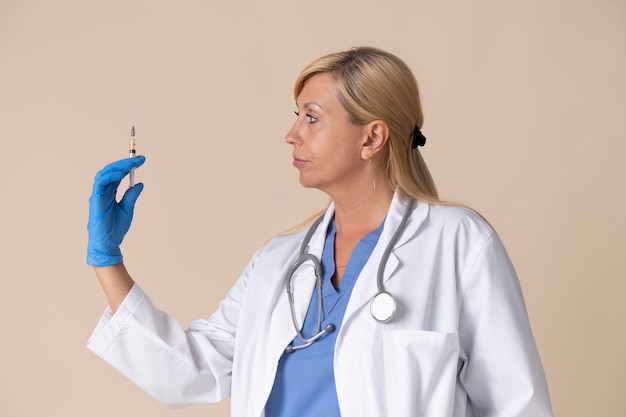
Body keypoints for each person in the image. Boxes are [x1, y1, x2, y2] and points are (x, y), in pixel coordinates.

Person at [86, 47, 554, 417]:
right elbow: (190, 371)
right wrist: (107, 260)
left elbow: (516, 405)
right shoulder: (278, 261)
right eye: (296, 115)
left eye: (311, 117)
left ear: (372, 137)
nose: (292, 134)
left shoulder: (458, 245)